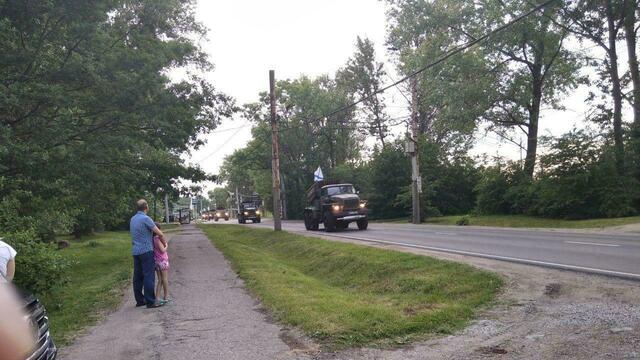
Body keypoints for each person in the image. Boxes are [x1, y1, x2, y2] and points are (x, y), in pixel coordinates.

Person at [130, 199, 165, 308]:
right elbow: (159, 233)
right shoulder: (146, 219)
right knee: (149, 275)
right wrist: (163, 243)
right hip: (146, 251)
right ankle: (150, 301)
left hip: (136, 251)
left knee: (137, 276)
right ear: (146, 207)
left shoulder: (133, 219)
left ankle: (140, 300)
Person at [153, 223, 171, 304]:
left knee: (160, 279)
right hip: (162, 261)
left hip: (156, 261)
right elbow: (163, 250)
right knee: (165, 279)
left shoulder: (152, 239)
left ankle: (157, 297)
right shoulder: (157, 239)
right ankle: (166, 296)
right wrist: (166, 245)